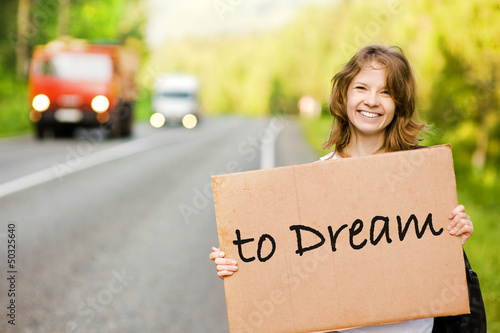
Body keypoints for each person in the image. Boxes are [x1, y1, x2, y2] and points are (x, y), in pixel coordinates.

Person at [209, 45, 474, 332]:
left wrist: (453, 235)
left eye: (386, 92)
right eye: (361, 88)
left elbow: (432, 252)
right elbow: (287, 264)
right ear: (344, 95)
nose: (372, 100)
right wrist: (239, 267)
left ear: (400, 103)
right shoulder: (315, 180)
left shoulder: (420, 174)